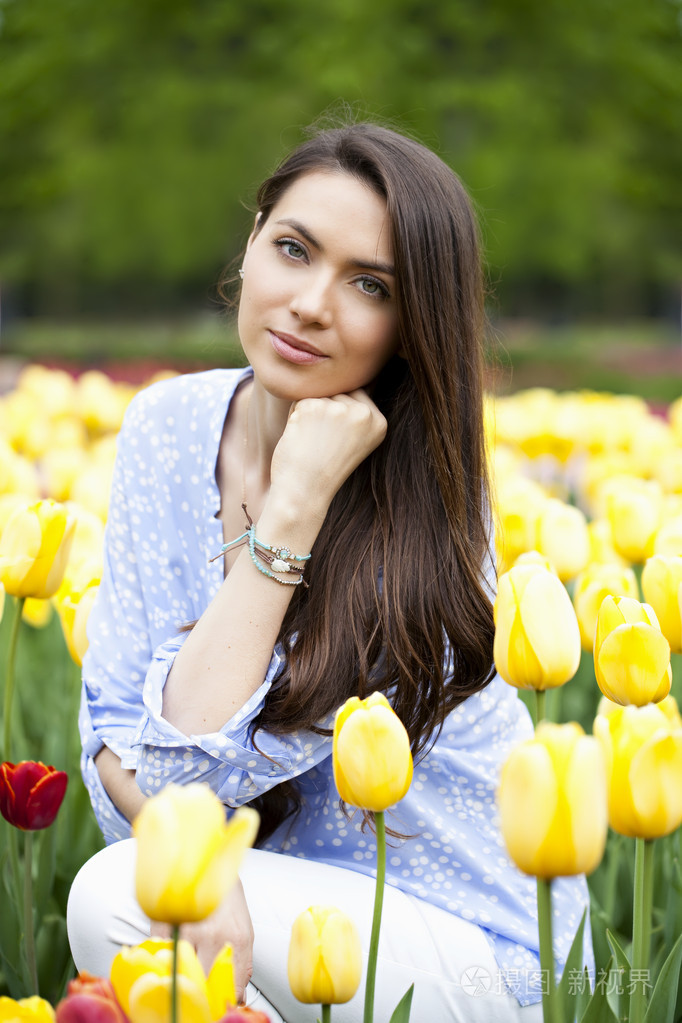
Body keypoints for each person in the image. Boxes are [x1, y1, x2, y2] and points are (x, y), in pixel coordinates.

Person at [67, 120, 590, 1022]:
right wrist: (189, 853)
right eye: (294, 249)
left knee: (120, 896)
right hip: (286, 908)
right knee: (151, 898)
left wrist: (297, 499)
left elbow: (182, 767)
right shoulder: (167, 426)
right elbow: (114, 730)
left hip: (472, 943)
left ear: (410, 325)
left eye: (369, 285)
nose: (312, 303)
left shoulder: (428, 513)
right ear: (250, 242)